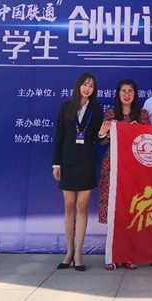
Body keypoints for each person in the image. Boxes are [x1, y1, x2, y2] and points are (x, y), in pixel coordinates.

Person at [52, 73, 104, 272]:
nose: (87, 88)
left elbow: (98, 139)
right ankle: (69, 251)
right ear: (78, 86)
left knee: (82, 207)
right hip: (67, 162)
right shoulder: (66, 106)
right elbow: (59, 136)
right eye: (85, 84)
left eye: (91, 85)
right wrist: (56, 164)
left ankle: (79, 253)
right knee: (69, 206)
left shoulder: (96, 109)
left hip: (86, 162)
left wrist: (102, 133)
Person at [97, 78, 151, 270]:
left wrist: (138, 130)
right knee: (114, 211)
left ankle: (128, 255)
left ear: (135, 94)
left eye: (130, 91)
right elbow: (103, 141)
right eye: (123, 91)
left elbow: (149, 139)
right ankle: (111, 256)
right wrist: (103, 133)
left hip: (134, 168)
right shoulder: (110, 114)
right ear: (118, 94)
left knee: (130, 210)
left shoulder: (142, 115)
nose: (127, 95)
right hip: (112, 165)